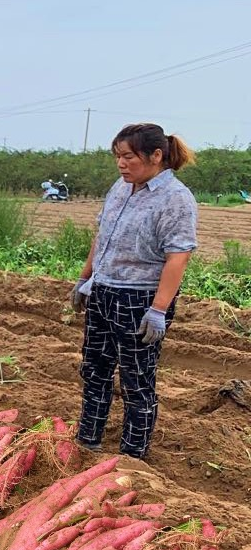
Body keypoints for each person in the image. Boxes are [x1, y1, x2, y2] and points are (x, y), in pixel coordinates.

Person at [72, 123, 198, 461]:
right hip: (104, 290)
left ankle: (132, 457)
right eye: (118, 156)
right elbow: (103, 235)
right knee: (95, 369)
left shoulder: (175, 199)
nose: (121, 164)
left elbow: (178, 256)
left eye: (128, 156)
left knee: (136, 379)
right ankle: (88, 441)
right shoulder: (120, 187)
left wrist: (158, 310)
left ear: (156, 156)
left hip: (139, 300)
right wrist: (86, 278)